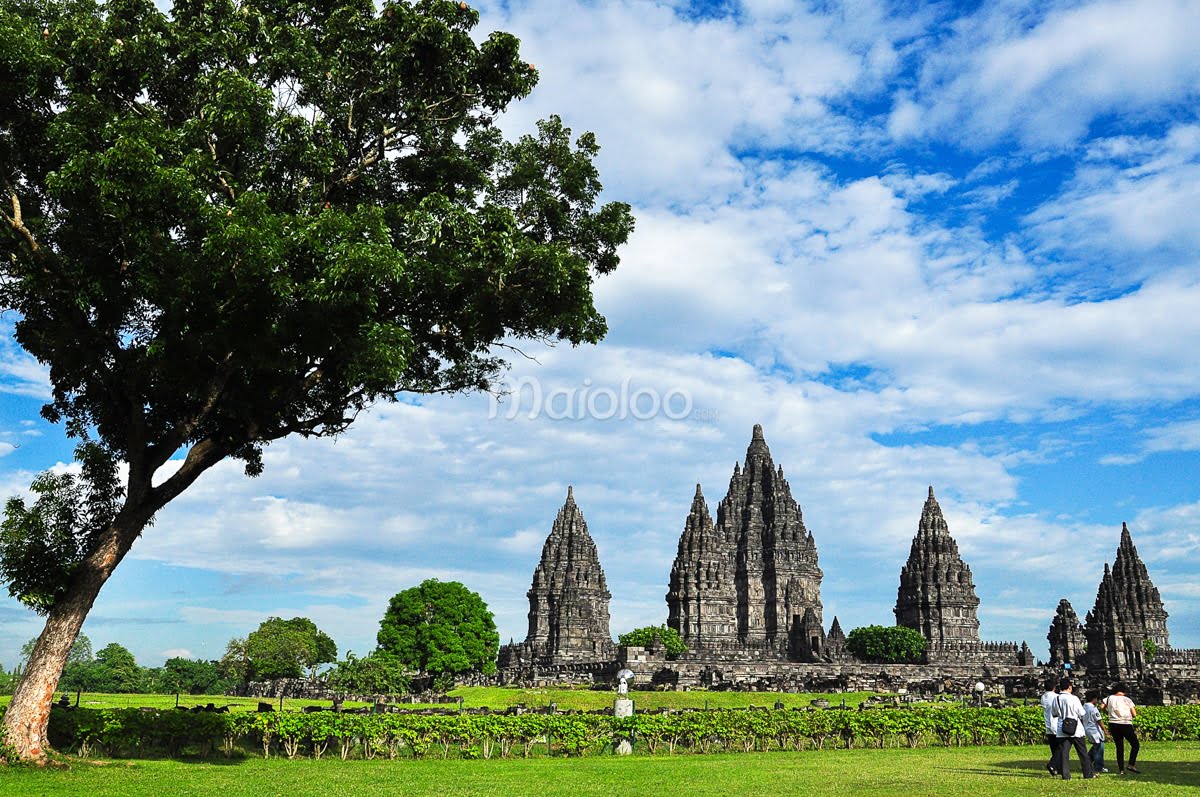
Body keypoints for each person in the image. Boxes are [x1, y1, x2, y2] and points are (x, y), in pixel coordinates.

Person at [1051, 678, 1096, 780]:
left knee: (1064, 753)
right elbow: (1082, 713)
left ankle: (1065, 775)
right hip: (1075, 728)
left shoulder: (1056, 699)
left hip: (1062, 728)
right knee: (1082, 753)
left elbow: (1054, 714)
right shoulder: (1074, 698)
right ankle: (1088, 774)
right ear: (1070, 687)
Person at [1102, 682, 1141, 774]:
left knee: (1119, 747)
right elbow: (1134, 714)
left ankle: (1121, 770)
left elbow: (1102, 707)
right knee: (1135, 744)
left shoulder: (1109, 698)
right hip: (1125, 723)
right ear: (1124, 691)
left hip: (1113, 723)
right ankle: (1131, 764)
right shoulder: (1127, 699)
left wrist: (1109, 712)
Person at [1082, 691, 1108, 773]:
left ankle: (1087, 762)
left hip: (1087, 729)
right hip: (1095, 731)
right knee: (1099, 749)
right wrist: (1105, 731)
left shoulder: (1084, 707)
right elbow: (1099, 721)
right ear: (1094, 699)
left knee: (1095, 747)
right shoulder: (1093, 708)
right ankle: (1098, 767)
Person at [1039, 678, 1060, 775]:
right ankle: (1052, 764)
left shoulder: (1043, 697)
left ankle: (1057, 767)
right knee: (1061, 748)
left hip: (1048, 725)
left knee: (1054, 748)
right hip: (1056, 724)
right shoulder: (1057, 697)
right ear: (1054, 688)